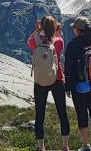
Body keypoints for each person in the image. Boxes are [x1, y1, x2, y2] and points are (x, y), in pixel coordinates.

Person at [27, 15, 71, 151]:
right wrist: (56, 32)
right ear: (54, 27)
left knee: (39, 114)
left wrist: (36, 30)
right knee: (62, 112)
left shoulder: (35, 41)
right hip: (57, 79)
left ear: (41, 26)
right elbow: (59, 46)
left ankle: (41, 147)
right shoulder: (59, 41)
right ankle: (65, 145)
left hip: (40, 81)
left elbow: (29, 42)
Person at [65, 16, 91, 151]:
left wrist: (68, 87)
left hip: (79, 86)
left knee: (82, 115)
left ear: (78, 30)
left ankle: (85, 145)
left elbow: (68, 68)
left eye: (74, 28)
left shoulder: (72, 45)